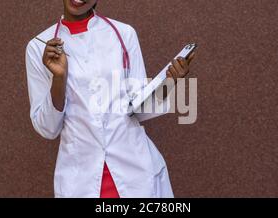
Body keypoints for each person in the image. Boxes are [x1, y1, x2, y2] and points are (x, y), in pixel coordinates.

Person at [25, 0, 195, 198]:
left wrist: (169, 83)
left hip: (134, 170)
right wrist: (59, 78)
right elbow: (48, 128)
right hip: (81, 179)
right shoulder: (39, 47)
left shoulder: (124, 35)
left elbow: (138, 110)